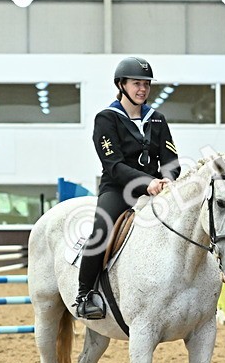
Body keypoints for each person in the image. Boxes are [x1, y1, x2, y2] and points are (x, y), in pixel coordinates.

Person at [75, 56, 180, 320]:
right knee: (101, 230)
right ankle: (85, 294)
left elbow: (171, 160)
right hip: (118, 190)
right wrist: (148, 183)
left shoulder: (157, 119)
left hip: (157, 190)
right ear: (121, 85)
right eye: (136, 83)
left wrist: (168, 179)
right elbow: (114, 165)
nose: (143, 89)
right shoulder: (106, 119)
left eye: (146, 84)